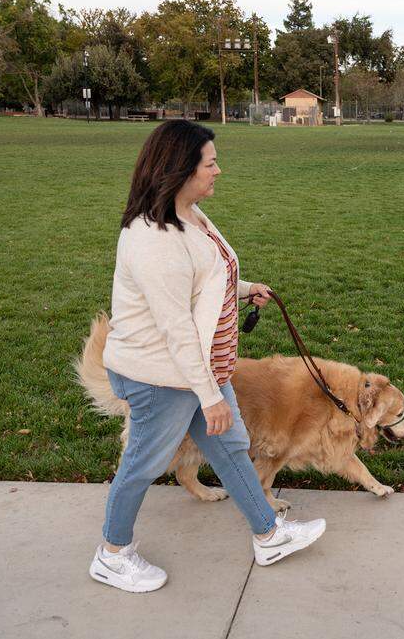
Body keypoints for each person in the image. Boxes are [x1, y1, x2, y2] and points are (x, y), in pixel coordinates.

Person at [91, 120, 326, 593]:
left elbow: (201, 280)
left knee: (230, 449)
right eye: (210, 163)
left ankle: (269, 535)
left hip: (198, 369)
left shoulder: (188, 213)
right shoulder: (153, 238)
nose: (219, 170)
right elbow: (177, 328)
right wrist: (210, 396)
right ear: (180, 169)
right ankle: (112, 555)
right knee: (142, 463)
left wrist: (242, 289)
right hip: (163, 377)